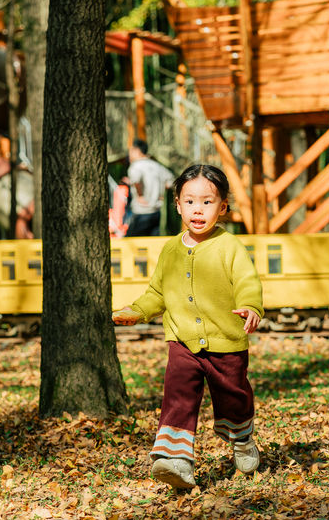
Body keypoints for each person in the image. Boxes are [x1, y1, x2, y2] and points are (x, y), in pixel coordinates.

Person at [112, 163, 264, 491]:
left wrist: (251, 306)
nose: (198, 209)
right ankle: (175, 461)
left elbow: (247, 282)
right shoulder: (170, 249)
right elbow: (157, 292)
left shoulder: (230, 246)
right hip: (182, 341)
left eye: (207, 202)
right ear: (178, 205)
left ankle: (242, 439)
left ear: (222, 207)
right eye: (190, 201)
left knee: (234, 398)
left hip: (226, 342)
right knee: (178, 398)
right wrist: (136, 311)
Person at [123, 139, 174, 236]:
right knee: (152, 242)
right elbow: (170, 182)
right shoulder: (157, 166)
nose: (129, 154)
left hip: (141, 211)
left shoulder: (135, 166)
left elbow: (136, 181)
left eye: (130, 151)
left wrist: (140, 195)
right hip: (156, 212)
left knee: (132, 241)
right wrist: (159, 192)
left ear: (137, 150)